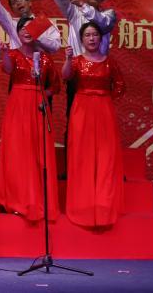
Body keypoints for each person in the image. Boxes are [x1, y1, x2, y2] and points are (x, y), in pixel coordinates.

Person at [0, 16, 61, 220]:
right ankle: (16, 200)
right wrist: (4, 52)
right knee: (17, 152)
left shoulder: (45, 59)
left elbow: (55, 86)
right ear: (17, 33)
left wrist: (44, 94)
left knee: (38, 153)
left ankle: (39, 200)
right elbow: (8, 69)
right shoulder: (13, 54)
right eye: (22, 28)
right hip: (17, 106)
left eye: (30, 27)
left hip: (38, 106)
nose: (26, 31)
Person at [63, 21, 125, 228]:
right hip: (82, 110)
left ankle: (103, 207)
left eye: (95, 34)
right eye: (87, 35)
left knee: (105, 157)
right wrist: (68, 58)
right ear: (82, 40)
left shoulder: (110, 62)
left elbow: (120, 85)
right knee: (83, 155)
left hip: (104, 110)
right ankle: (84, 206)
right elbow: (66, 76)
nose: (91, 38)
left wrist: (104, 98)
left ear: (100, 38)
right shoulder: (77, 60)